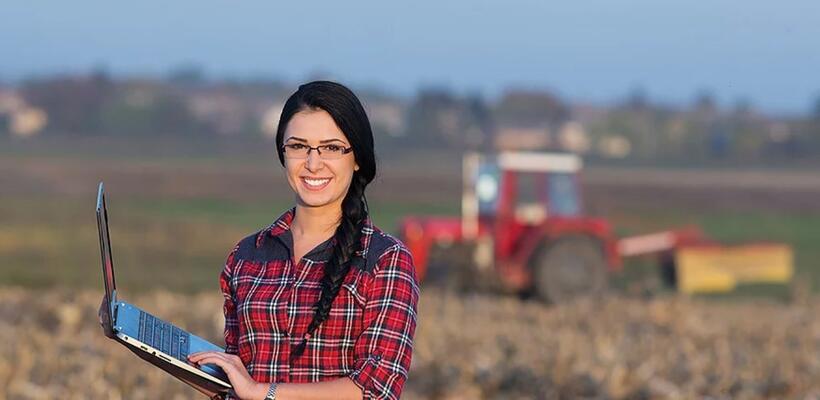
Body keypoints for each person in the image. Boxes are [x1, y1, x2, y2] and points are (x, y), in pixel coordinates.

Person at [187, 81, 419, 400]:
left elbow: (376, 389)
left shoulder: (385, 260)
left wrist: (263, 392)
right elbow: (237, 386)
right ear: (282, 153)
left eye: (331, 147)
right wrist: (139, 342)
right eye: (298, 146)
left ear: (357, 158)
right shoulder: (246, 257)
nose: (312, 163)